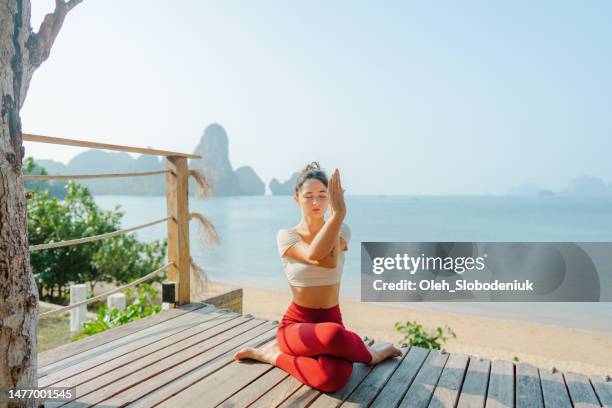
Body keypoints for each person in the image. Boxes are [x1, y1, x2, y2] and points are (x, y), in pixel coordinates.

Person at [233, 162, 402, 392]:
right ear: (296, 199)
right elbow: (317, 256)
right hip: (295, 325)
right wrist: (339, 213)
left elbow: (329, 259)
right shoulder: (287, 236)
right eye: (309, 196)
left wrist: (337, 218)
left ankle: (273, 356)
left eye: (323, 195)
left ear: (331, 197)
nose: (316, 202)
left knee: (332, 379)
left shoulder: (342, 230)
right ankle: (372, 354)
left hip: (332, 320)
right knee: (334, 336)